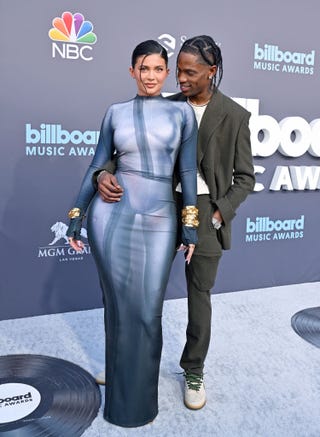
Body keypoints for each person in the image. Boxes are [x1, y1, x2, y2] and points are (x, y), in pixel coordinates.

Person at [95, 35, 255, 411]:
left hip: (205, 211)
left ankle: (193, 369)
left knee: (198, 294)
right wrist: (102, 174)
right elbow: (121, 154)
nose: (179, 79)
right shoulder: (163, 107)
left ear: (211, 72)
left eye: (189, 72)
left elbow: (245, 177)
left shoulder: (235, 116)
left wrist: (217, 213)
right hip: (161, 206)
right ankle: (125, 363)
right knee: (135, 291)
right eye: (178, 71)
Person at [66, 40, 199, 427]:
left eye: (159, 69)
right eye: (144, 69)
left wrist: (189, 225)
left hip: (160, 218)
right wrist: (77, 213)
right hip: (112, 216)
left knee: (147, 312)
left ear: (167, 72)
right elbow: (98, 162)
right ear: (132, 72)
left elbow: (187, 173)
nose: (152, 76)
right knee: (121, 309)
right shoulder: (115, 112)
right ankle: (120, 401)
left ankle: (141, 401)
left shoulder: (182, 115)